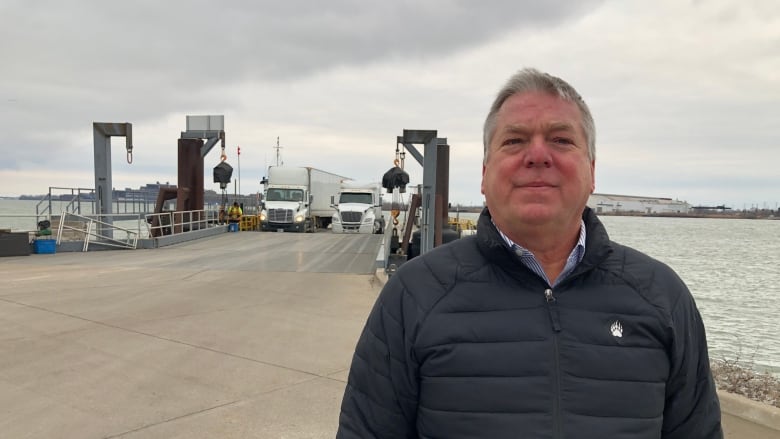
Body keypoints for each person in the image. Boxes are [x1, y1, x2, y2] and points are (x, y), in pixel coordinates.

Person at [337, 68, 722, 438]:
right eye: (515, 140)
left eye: (561, 139)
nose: (538, 155)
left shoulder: (661, 296)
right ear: (485, 175)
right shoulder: (414, 295)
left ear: (592, 171)